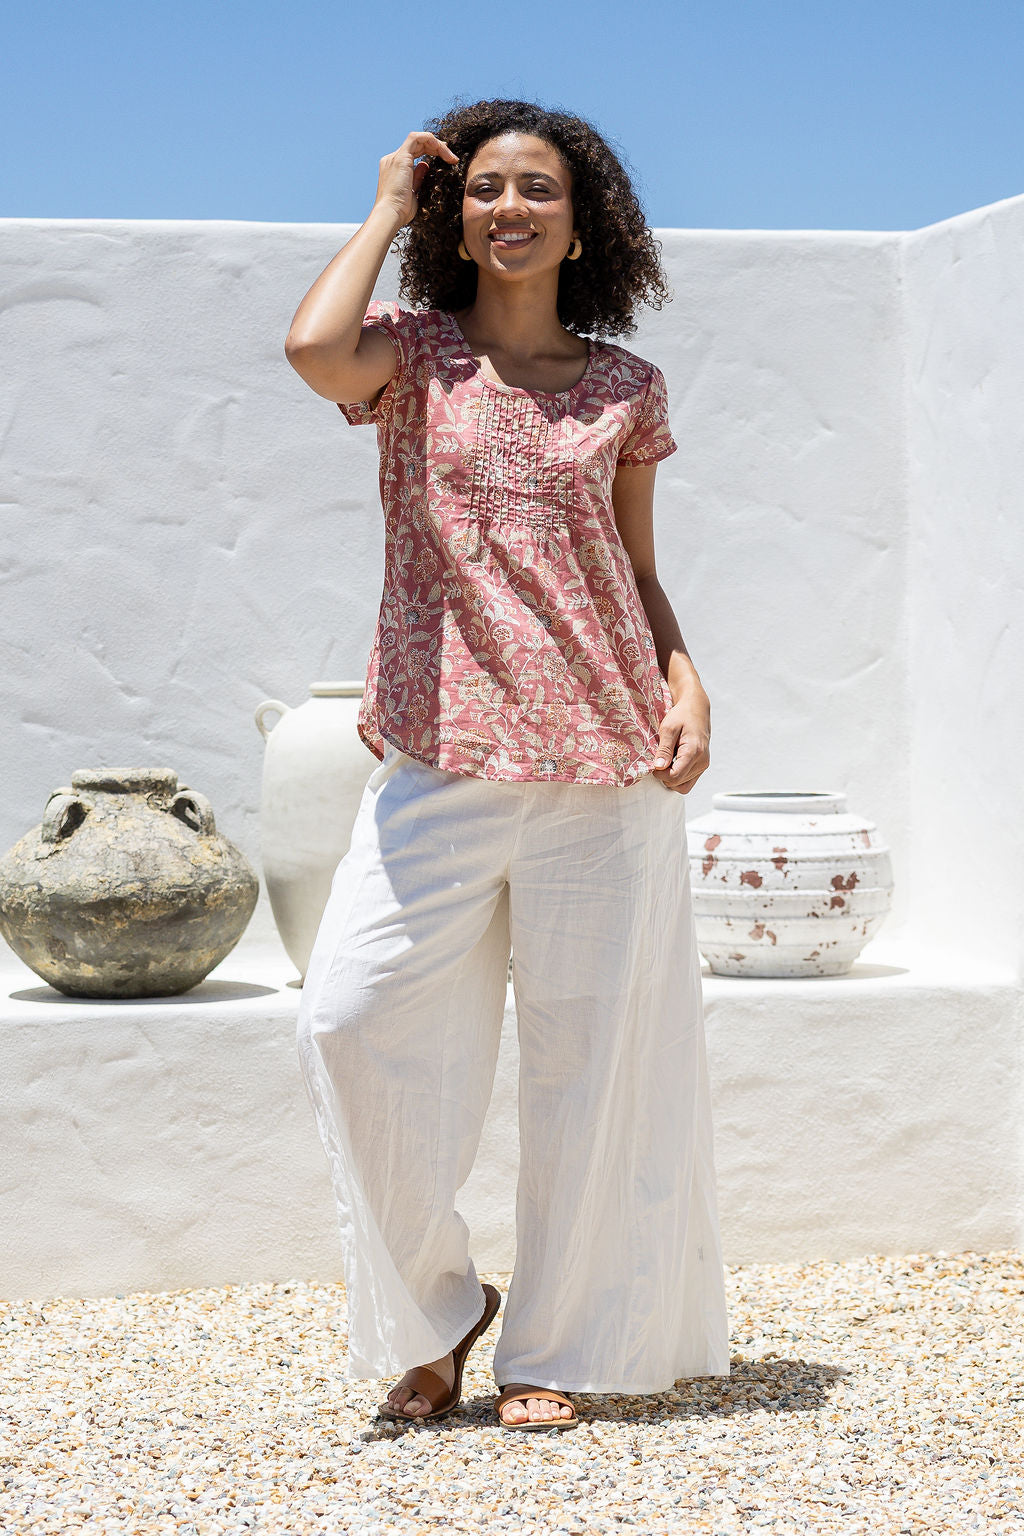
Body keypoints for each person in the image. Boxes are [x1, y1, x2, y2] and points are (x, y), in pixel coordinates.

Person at [285, 98, 730, 1431]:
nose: (512, 207)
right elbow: (313, 349)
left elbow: (635, 571)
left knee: (590, 1069)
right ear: (455, 219)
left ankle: (558, 1345)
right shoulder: (412, 359)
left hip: (605, 760)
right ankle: (437, 1310)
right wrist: (381, 202)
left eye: (539, 188)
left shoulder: (624, 389)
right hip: (442, 754)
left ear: (583, 222)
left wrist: (687, 676)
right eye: (485, 190)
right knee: (351, 1022)